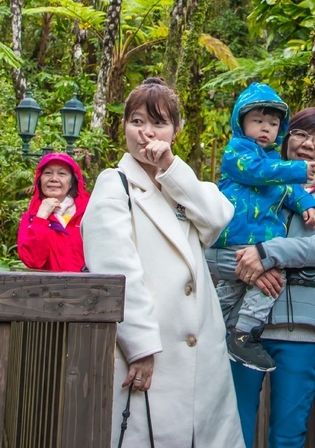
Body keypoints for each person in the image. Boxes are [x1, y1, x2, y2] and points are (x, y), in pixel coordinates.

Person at [81, 77, 245, 448]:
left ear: (176, 131)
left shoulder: (182, 186)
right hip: (150, 352)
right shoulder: (115, 184)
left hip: (201, 353)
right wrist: (140, 348)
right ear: (123, 127)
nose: (146, 133)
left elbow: (218, 219)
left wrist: (171, 169)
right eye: (137, 121)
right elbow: (117, 269)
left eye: (159, 123)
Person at [220, 107, 315, 448]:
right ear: (285, 138)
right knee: (234, 429)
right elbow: (211, 246)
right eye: (299, 134)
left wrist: (268, 253)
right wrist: (249, 268)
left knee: (287, 435)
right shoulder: (248, 184)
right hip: (243, 330)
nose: (307, 144)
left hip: (303, 330)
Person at [207, 83, 315, 372]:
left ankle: (222, 330)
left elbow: (289, 188)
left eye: (273, 124)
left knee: (234, 291)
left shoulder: (277, 163)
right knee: (268, 279)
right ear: (241, 122)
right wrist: (298, 170)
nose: (265, 129)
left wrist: (307, 204)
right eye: (258, 121)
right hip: (234, 239)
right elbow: (261, 174)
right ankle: (240, 333)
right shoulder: (237, 153)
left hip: (259, 244)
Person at [17, 152, 90, 271]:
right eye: (48, 173)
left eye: (62, 174)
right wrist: (41, 218)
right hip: (48, 287)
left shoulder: (88, 213)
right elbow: (32, 261)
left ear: (72, 182)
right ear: (39, 180)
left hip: (88, 286)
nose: (54, 179)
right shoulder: (30, 218)